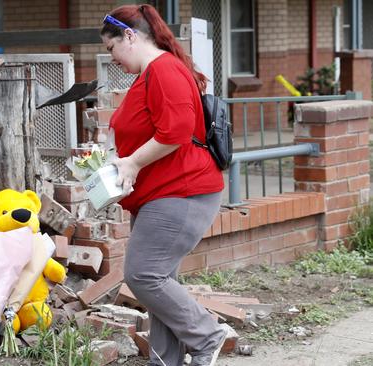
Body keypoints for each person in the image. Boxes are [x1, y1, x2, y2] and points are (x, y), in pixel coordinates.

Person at [100, 4, 227, 366]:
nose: (113, 59)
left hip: (183, 192)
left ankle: (207, 335)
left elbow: (176, 132)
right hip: (163, 194)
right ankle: (165, 360)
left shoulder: (164, 70)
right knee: (159, 281)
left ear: (129, 36)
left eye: (111, 49)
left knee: (143, 275)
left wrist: (132, 162)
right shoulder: (149, 73)